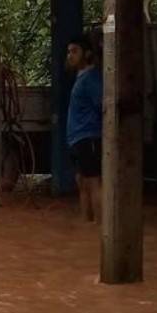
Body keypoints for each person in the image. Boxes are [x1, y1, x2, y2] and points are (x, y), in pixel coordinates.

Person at [65, 34, 103, 223]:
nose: (70, 56)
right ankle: (87, 225)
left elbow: (101, 105)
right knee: (82, 182)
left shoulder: (92, 78)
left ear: (87, 54)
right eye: (69, 52)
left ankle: (100, 224)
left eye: (74, 52)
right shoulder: (81, 77)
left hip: (88, 137)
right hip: (77, 138)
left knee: (93, 182)